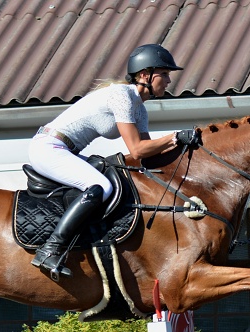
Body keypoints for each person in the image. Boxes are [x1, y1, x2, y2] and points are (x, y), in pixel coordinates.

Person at [27, 43, 201, 280]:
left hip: (67, 150)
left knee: (114, 178)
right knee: (101, 187)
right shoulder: (122, 96)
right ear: (144, 75)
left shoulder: (139, 109)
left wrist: (182, 144)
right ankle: (50, 249)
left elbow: (148, 155)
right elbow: (138, 150)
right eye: (165, 74)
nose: (169, 81)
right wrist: (174, 137)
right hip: (49, 148)